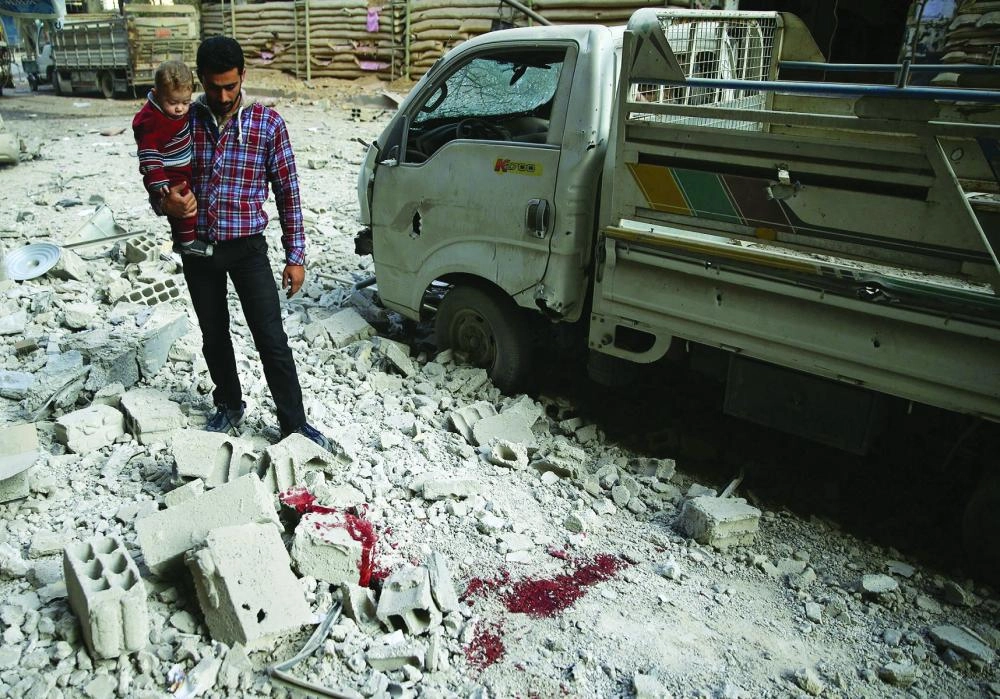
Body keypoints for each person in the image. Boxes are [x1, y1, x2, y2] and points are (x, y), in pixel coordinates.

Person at [159, 36, 331, 450]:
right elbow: (158, 175)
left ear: (243, 78)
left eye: (230, 87)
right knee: (213, 334)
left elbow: (288, 193)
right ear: (200, 79)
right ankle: (229, 404)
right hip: (198, 249)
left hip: (248, 248)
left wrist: (296, 256)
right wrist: (165, 201)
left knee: (271, 337)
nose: (222, 95)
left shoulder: (268, 125)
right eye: (214, 86)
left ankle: (294, 424)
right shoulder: (183, 120)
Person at [131, 60, 212, 257]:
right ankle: (187, 242)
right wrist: (159, 182)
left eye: (185, 102)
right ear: (157, 95)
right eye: (173, 103)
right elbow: (148, 152)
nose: (179, 109)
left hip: (182, 165)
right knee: (183, 206)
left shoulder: (179, 111)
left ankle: (184, 237)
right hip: (168, 172)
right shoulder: (152, 120)